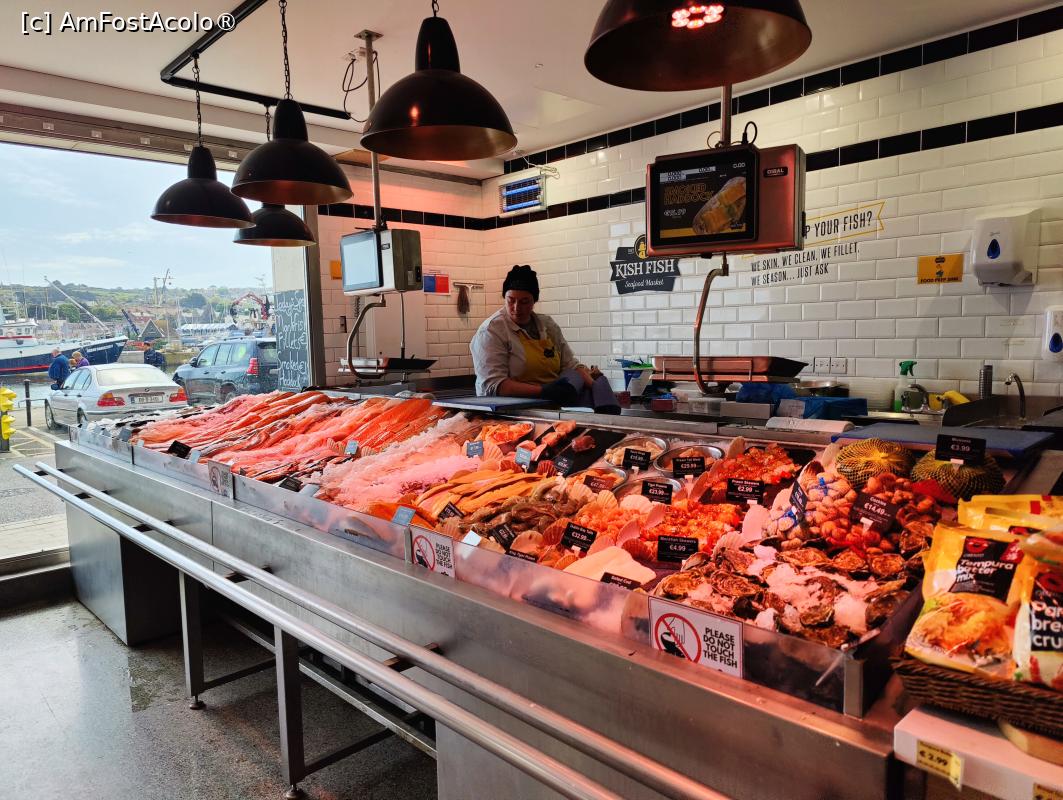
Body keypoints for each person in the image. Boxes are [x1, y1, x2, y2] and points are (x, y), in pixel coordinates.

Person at [471, 265, 620, 413]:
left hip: (549, 411)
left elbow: (571, 366)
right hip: (507, 414)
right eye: (511, 300)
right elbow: (494, 385)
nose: (516, 308)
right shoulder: (491, 331)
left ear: (534, 301)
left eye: (524, 301)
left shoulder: (548, 326)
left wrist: (599, 390)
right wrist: (543, 390)